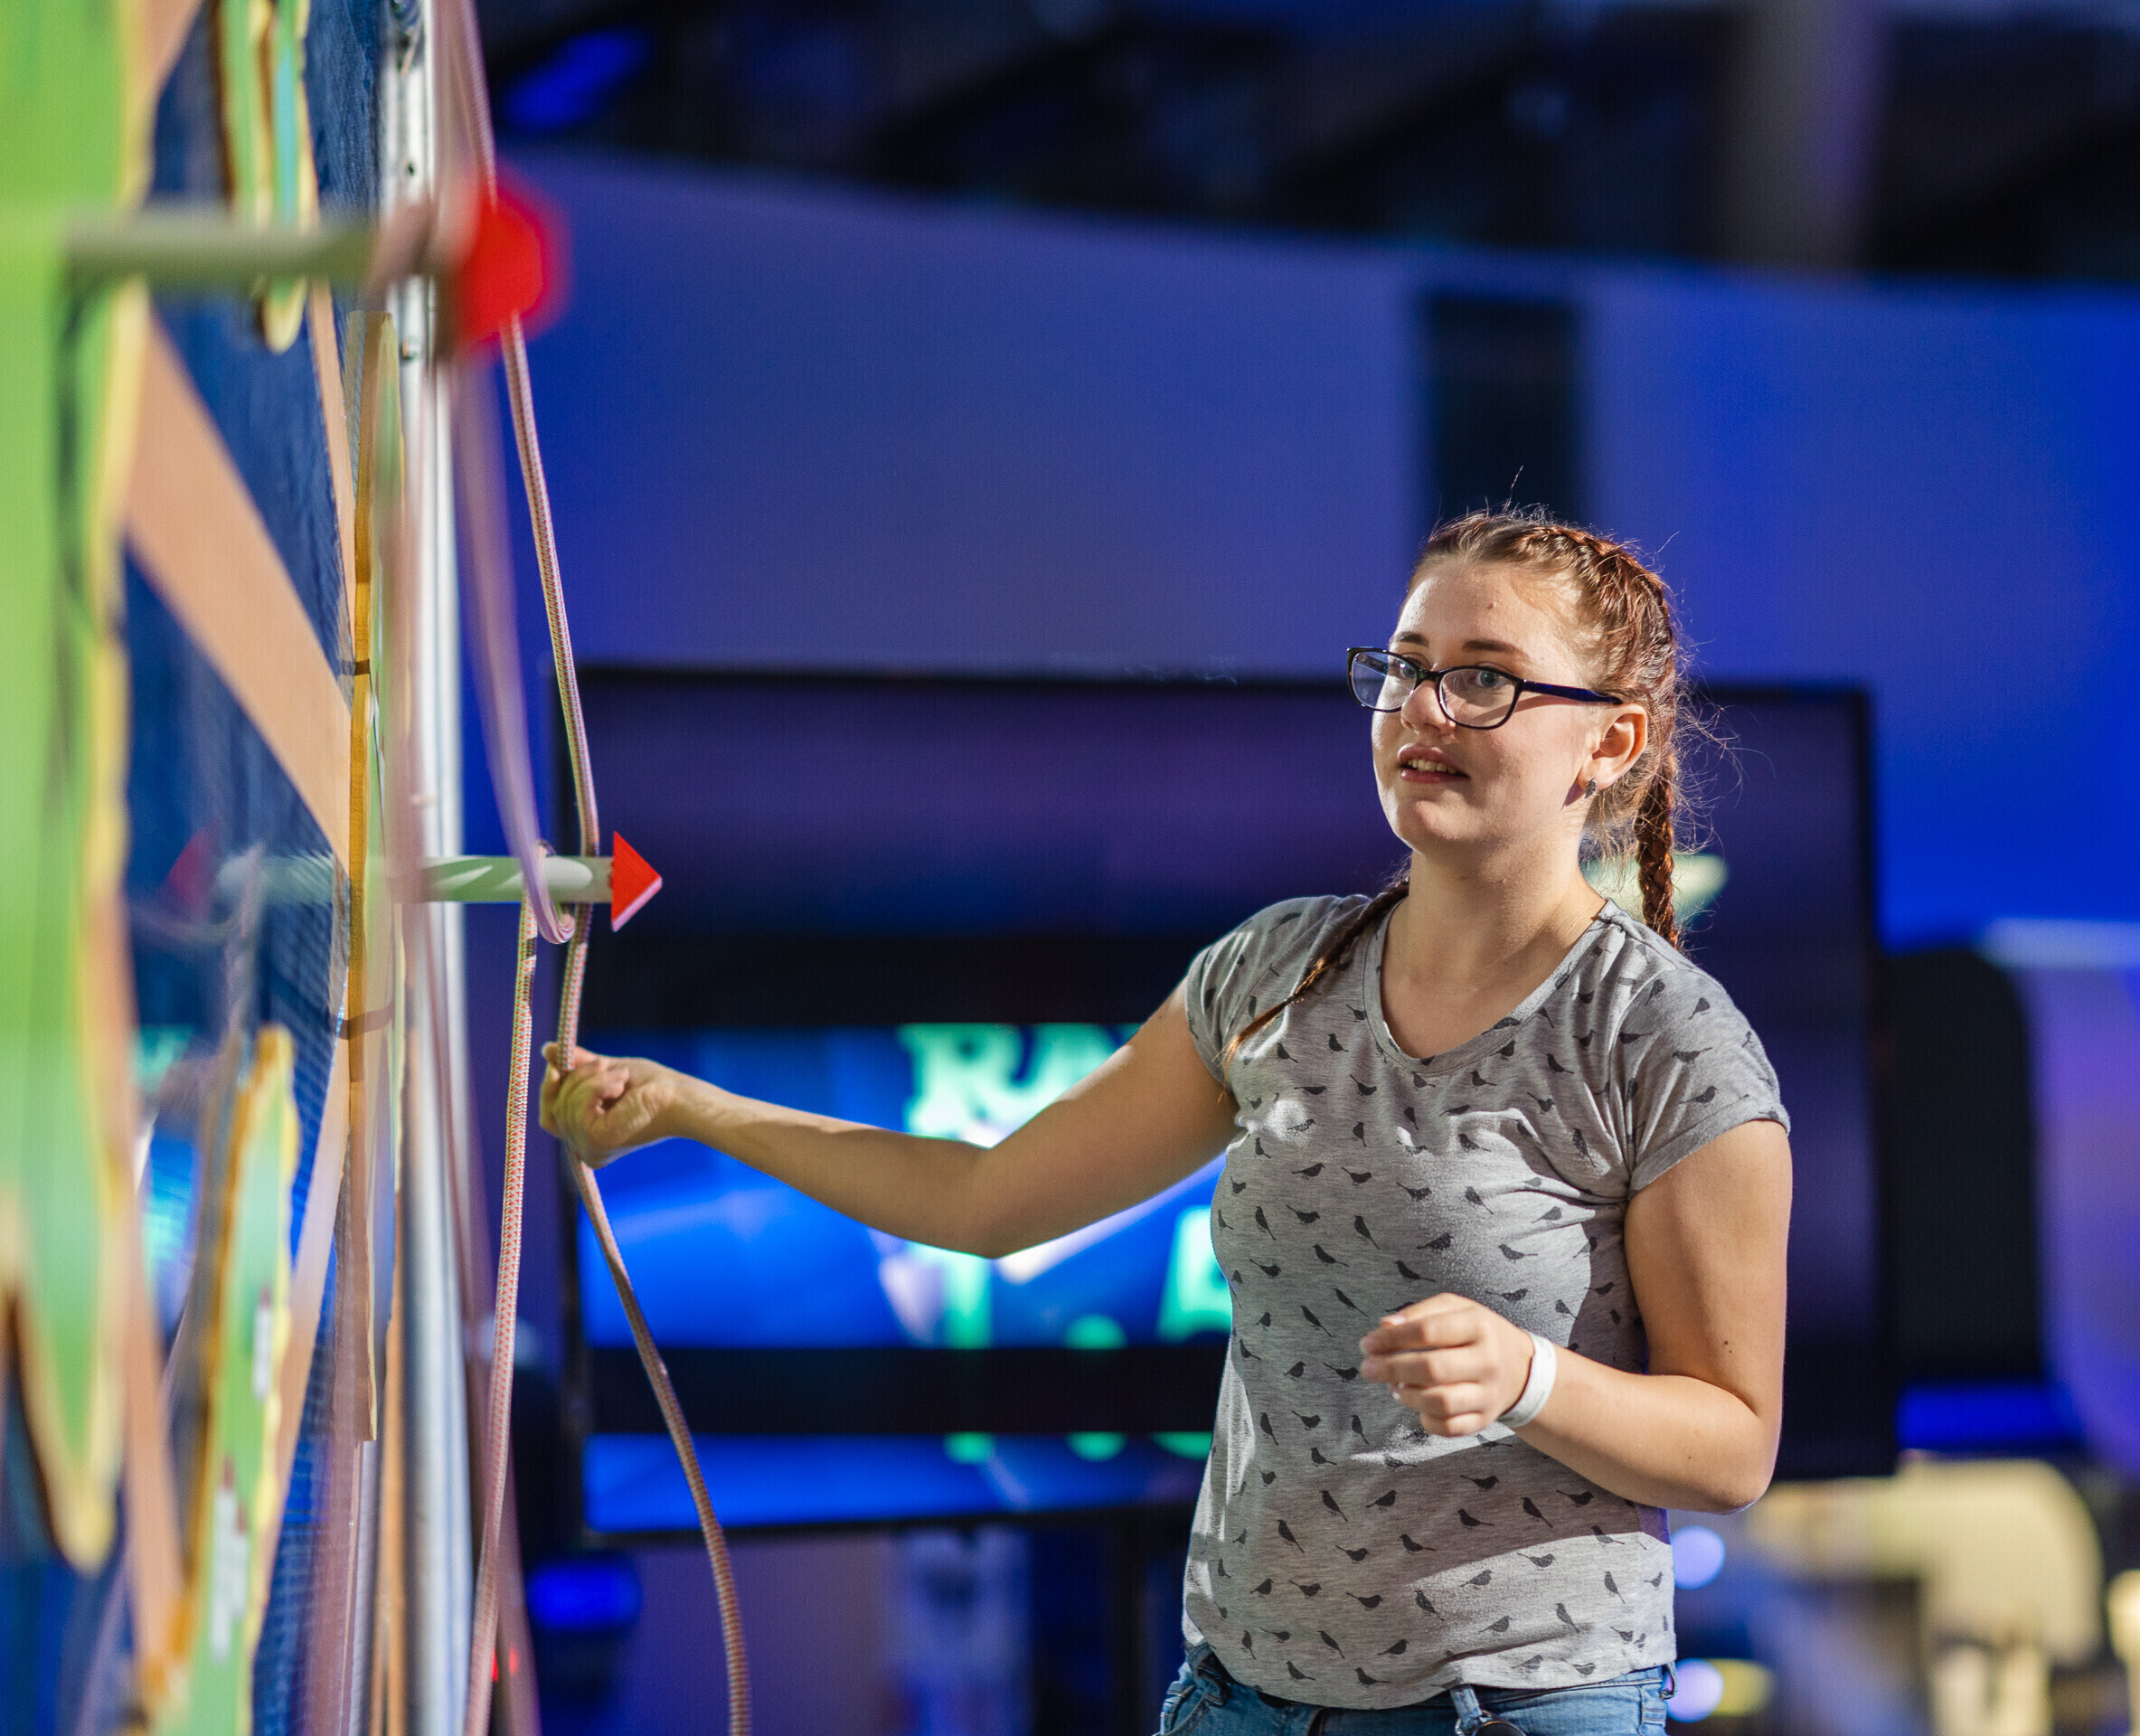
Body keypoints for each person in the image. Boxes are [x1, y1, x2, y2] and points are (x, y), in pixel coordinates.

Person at [541, 509, 1794, 1736]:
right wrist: (695, 1109)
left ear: (1610, 740)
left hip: (1518, 1706)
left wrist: (1531, 1379)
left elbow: (1732, 1446)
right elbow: (986, 1201)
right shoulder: (1274, 971)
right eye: (1405, 669)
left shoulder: (1664, 1036)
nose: (1422, 709)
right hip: (1239, 1697)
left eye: (1483, 680)